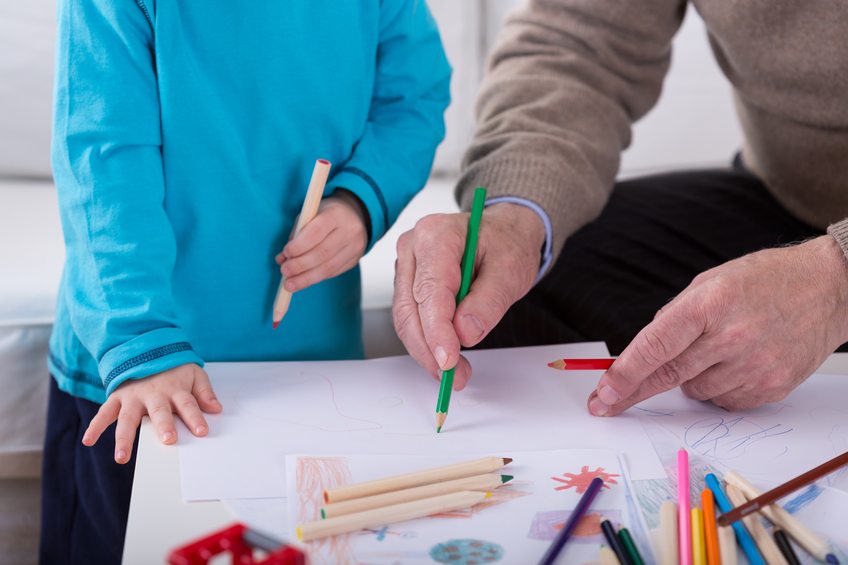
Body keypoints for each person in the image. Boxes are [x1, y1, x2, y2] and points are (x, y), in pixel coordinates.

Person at [42, 1, 450, 562]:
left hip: (314, 363)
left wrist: (360, 202)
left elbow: (414, 97)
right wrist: (139, 335)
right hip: (136, 375)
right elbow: (103, 160)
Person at [393, 1, 848, 421]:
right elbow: (579, 42)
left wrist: (834, 287)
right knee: (514, 282)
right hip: (788, 192)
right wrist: (514, 217)